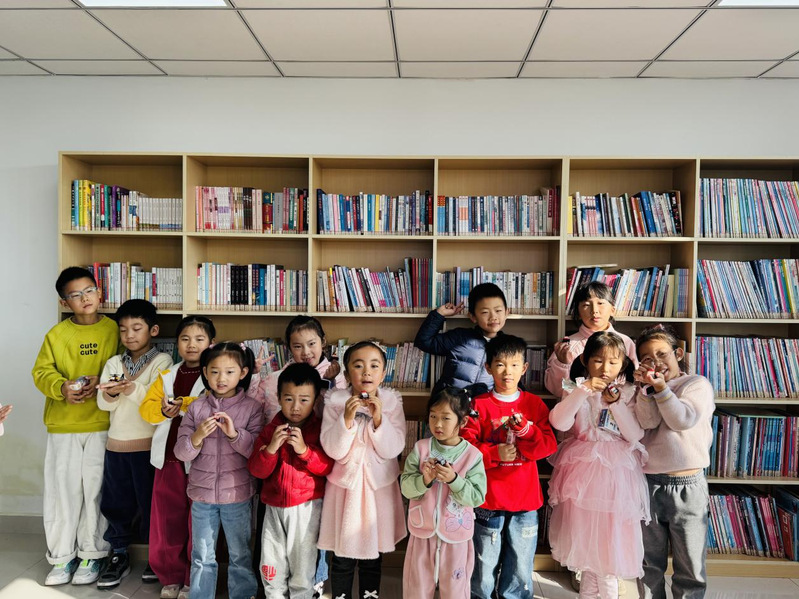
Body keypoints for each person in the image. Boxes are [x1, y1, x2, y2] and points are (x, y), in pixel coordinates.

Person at [31, 266, 119, 586]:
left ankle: (92, 554)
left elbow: (127, 367)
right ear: (64, 302)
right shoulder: (56, 335)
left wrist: (104, 381)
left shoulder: (114, 330)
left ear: (100, 292)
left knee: (95, 492)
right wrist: (62, 387)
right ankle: (61, 556)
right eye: (75, 295)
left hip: (103, 423)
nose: (85, 298)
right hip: (63, 425)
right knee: (63, 493)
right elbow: (41, 373)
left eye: (89, 290)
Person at [548, 331, 649, 599]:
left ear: (623, 364)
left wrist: (615, 405)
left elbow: (634, 435)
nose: (605, 368)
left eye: (613, 362)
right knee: (587, 548)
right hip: (582, 472)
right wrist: (582, 391)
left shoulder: (628, 392)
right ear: (585, 360)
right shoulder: (574, 388)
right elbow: (560, 422)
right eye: (598, 360)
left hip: (616, 473)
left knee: (609, 546)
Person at [461, 335, 557, 599]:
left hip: (525, 500)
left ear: (524, 368)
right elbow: (465, 449)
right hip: (488, 498)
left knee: (520, 563)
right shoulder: (478, 405)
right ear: (488, 368)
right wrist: (495, 453)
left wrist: (526, 431)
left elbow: (547, 447)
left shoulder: (533, 404)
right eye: (500, 365)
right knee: (484, 561)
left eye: (514, 365)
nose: (507, 372)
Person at [318, 341, 407, 599]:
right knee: (342, 558)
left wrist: (379, 419)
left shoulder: (391, 403)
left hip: (378, 490)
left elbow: (393, 448)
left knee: (373, 558)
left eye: (374, 366)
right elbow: (332, 450)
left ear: (383, 373)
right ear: (347, 375)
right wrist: (346, 420)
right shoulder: (336, 402)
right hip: (346, 490)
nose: (367, 371)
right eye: (358, 366)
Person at [174, 342, 264, 599]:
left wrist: (235, 434)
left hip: (237, 496)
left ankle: (243, 594)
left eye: (229, 371)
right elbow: (181, 452)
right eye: (214, 371)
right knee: (202, 554)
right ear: (205, 372)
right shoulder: (196, 408)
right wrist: (197, 437)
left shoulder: (252, 408)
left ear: (243, 373)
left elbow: (256, 452)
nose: (221, 378)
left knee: (240, 553)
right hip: (202, 496)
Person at [95, 299, 173, 588]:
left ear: (153, 330)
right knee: (116, 502)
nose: (129, 335)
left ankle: (155, 555)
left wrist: (129, 388)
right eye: (123, 329)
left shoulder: (163, 361)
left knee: (150, 503)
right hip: (116, 446)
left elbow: (154, 402)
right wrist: (113, 393)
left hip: (148, 447)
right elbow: (104, 403)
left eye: (136, 328)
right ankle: (118, 552)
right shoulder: (114, 363)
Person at [634, 325, 714, 599]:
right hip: (649, 484)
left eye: (662, 354)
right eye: (647, 357)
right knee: (649, 563)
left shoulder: (696, 384)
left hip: (688, 485)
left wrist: (661, 389)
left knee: (690, 564)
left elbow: (682, 420)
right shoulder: (646, 389)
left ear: (678, 354)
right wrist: (646, 389)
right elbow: (647, 422)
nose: (656, 362)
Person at [139, 316, 215, 599]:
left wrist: (182, 404)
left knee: (199, 522)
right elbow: (146, 410)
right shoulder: (167, 376)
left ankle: (193, 578)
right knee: (168, 520)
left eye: (199, 339)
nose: (191, 345)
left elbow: (211, 404)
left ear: (211, 343)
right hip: (169, 459)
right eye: (185, 339)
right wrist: (162, 411)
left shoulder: (215, 374)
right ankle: (170, 576)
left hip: (202, 461)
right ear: (177, 344)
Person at [248, 362, 334, 599]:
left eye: (304, 400)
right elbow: (257, 470)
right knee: (271, 565)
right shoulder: (270, 430)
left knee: (303, 567)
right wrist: (271, 449)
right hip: (273, 508)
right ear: (278, 398)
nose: (295, 407)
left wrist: (305, 451)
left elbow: (327, 467)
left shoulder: (320, 430)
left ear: (315, 400)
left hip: (306, 508)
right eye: (288, 399)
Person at [400, 387, 487, 599]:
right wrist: (424, 480)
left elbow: (477, 497)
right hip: (422, 532)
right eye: (433, 416)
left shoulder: (472, 456)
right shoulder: (421, 449)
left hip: (456, 537)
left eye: (446, 418)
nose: (437, 424)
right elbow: (406, 488)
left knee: (455, 589)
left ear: (463, 422)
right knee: (417, 587)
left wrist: (454, 480)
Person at [545, 281, 636, 399]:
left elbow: (634, 384)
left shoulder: (626, 342)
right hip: (579, 408)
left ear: (612, 310)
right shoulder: (568, 346)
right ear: (578, 312)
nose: (594, 310)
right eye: (586, 305)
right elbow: (557, 390)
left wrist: (616, 397)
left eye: (600, 303)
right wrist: (562, 365)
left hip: (618, 407)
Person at [414, 282, 508, 396]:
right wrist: (439, 314)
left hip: (483, 405)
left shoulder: (509, 347)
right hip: (450, 403)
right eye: (485, 312)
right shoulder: (460, 338)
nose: (493, 317)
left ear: (506, 312)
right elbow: (424, 342)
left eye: (498, 311)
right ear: (472, 317)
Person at [259, 315, 347, 422]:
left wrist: (329, 382)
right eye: (297, 346)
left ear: (323, 341)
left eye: (311, 344)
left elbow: (337, 415)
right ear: (289, 348)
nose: (306, 352)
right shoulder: (274, 379)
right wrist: (254, 374)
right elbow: (255, 410)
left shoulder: (337, 377)